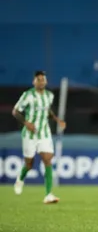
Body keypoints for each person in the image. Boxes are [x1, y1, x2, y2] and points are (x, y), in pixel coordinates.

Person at [12, 71, 66, 204]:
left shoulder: (49, 96)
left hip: (44, 133)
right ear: (34, 82)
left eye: (43, 80)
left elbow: (47, 110)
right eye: (38, 79)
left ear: (46, 82)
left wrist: (57, 119)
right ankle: (20, 178)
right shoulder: (28, 95)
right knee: (29, 164)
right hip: (30, 134)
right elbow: (15, 111)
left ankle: (48, 194)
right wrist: (26, 123)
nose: (41, 82)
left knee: (47, 159)